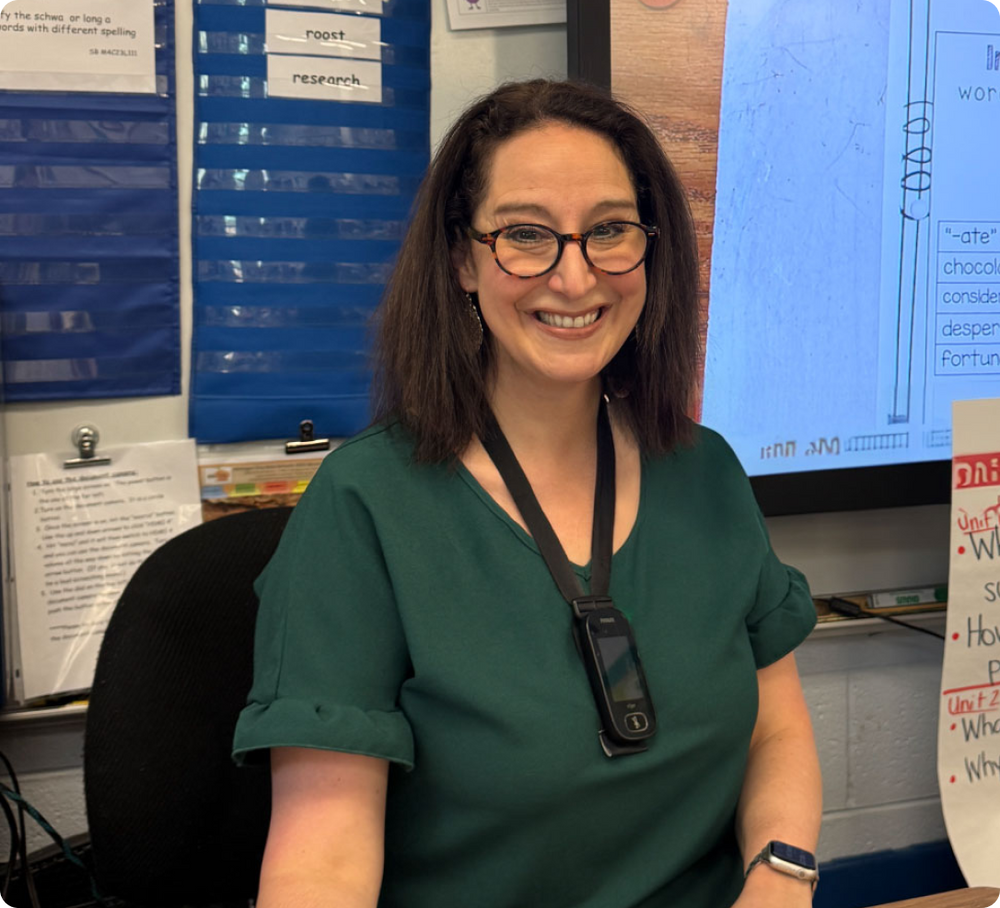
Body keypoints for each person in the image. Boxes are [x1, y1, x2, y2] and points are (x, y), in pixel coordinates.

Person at [233, 79, 822, 908]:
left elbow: (776, 725)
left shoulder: (706, 472)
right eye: (526, 235)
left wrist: (781, 874)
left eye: (610, 231)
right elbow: (320, 866)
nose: (575, 277)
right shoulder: (365, 506)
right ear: (461, 260)